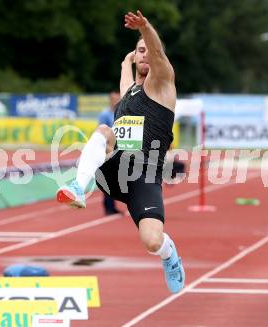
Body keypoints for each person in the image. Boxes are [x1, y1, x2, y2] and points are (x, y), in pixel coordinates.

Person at [56, 10, 185, 293]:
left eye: (148, 51)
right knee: (104, 131)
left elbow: (157, 53)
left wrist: (146, 29)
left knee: (152, 241)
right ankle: (79, 185)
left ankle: (169, 254)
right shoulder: (129, 91)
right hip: (113, 172)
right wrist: (126, 60)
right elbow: (126, 77)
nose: (145, 55)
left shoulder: (162, 84)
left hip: (144, 177)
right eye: (139, 51)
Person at [98, 91, 121, 215]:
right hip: (107, 150)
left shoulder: (122, 113)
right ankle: (108, 206)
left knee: (115, 179)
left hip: (118, 150)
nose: (116, 101)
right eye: (114, 99)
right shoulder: (105, 114)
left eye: (119, 98)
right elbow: (101, 131)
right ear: (110, 100)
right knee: (109, 178)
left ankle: (111, 205)